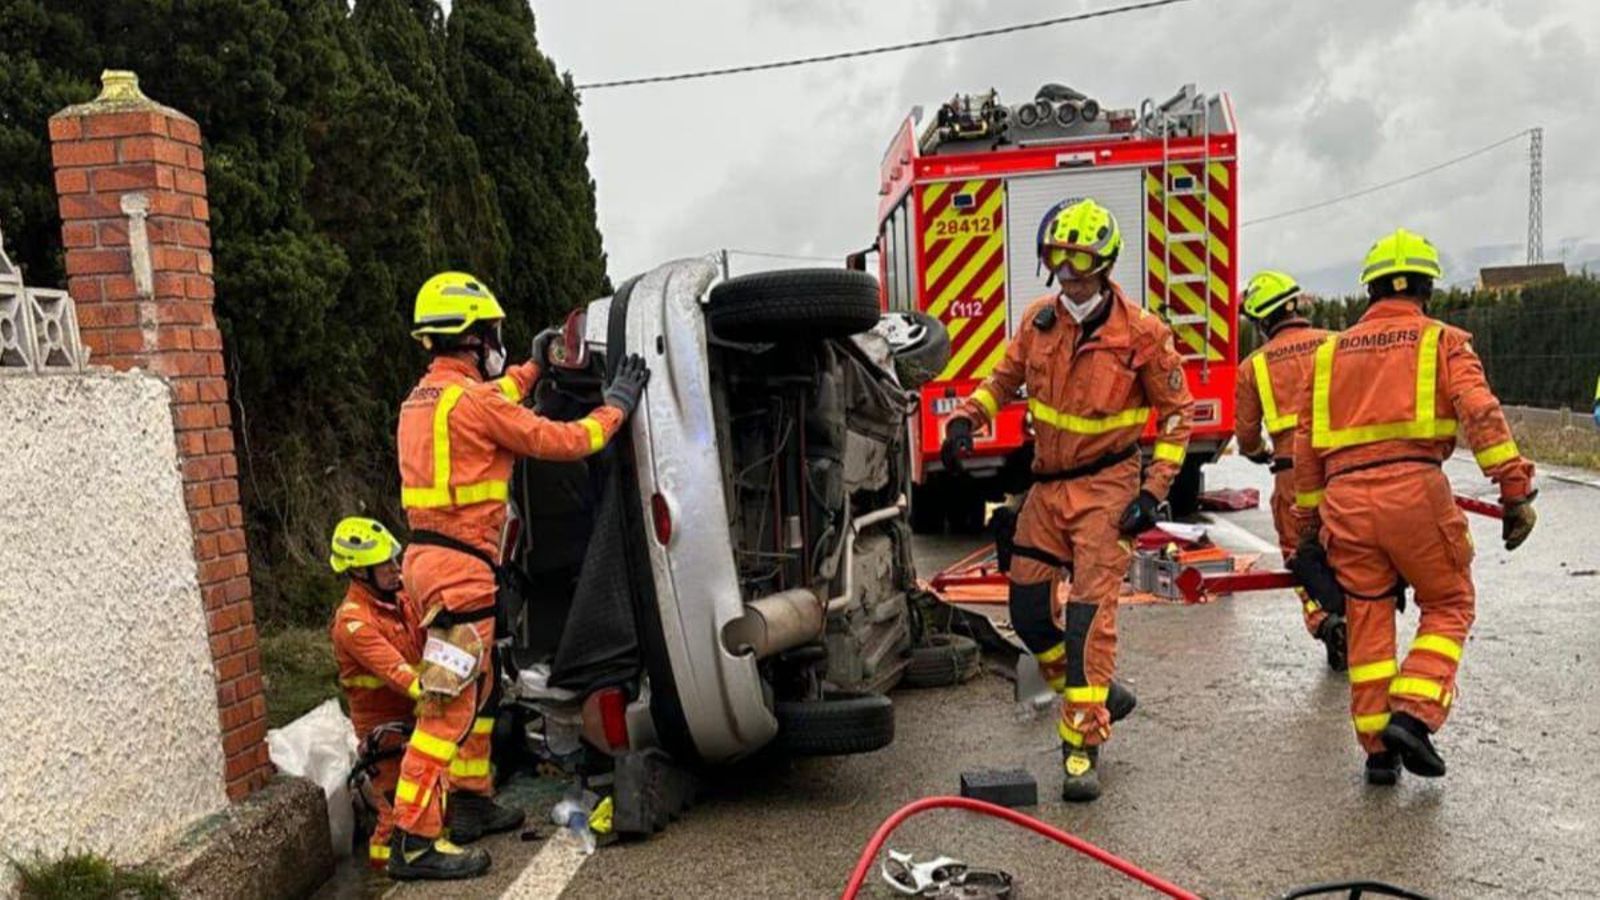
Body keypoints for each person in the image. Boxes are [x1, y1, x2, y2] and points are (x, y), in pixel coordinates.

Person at [387, 272, 650, 879]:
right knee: (446, 707)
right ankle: (414, 839)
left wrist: (536, 367)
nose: (497, 344)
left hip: (432, 566)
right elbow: (567, 440)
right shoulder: (476, 405)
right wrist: (618, 406)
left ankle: (473, 803)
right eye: (492, 335)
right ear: (473, 338)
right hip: (461, 575)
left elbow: (500, 393)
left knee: (479, 692)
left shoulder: (426, 400)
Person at [941, 198, 1193, 802]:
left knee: (1086, 623)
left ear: (1105, 262)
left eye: (1080, 257)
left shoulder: (1143, 333)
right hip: (1047, 488)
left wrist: (1153, 492)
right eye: (1058, 256)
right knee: (1028, 613)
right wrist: (967, 417)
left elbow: (1178, 414)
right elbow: (1002, 380)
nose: (1068, 269)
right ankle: (1101, 695)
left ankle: (1081, 747)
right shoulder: (1037, 322)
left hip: (1107, 489)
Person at [1292, 229, 1537, 786]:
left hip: (1344, 502)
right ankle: (1414, 715)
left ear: (1369, 290)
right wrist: (1513, 487)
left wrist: (1308, 528)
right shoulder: (1443, 341)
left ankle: (1379, 753)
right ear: (1427, 288)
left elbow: (1305, 449)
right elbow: (1481, 412)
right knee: (1449, 602)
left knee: (1369, 616)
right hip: (1416, 493)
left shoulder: (1326, 355)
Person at [1233, 271, 1346, 671]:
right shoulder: (1337, 344)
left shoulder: (1254, 366)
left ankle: (1325, 619)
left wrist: (1260, 451)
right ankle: (1359, 622)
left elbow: (1245, 436)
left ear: (1262, 321)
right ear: (1296, 305)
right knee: (1351, 552)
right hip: (1343, 469)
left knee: (1300, 556)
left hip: (1292, 473)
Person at [328, 516, 423, 871]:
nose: (396, 569)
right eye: (385, 564)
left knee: (422, 806)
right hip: (384, 736)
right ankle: (383, 881)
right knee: (393, 819)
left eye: (394, 560)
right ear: (360, 572)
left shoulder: (398, 600)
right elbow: (397, 672)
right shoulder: (353, 623)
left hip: (412, 720)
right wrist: (439, 694)